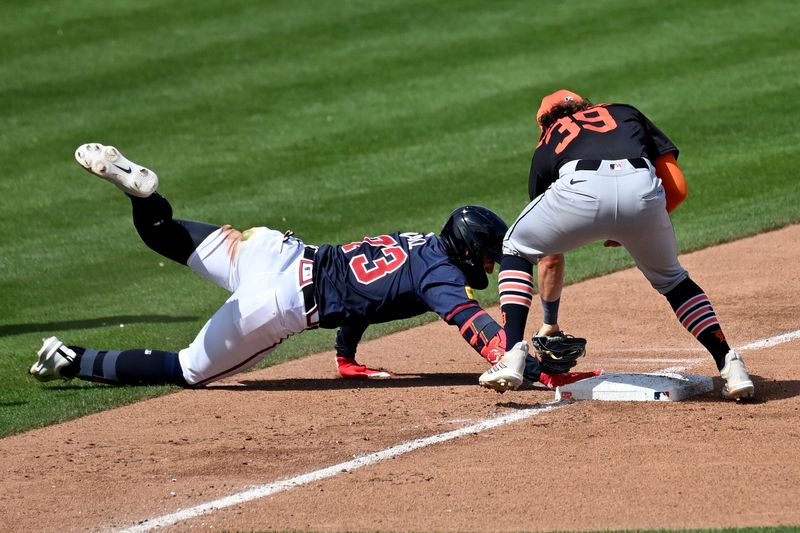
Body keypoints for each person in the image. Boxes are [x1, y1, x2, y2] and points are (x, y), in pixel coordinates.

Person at [29, 143, 574, 389]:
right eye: (484, 255)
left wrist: (346, 356)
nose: (485, 265)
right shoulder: (441, 277)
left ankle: (142, 195)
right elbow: (482, 334)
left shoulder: (415, 245)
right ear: (465, 251)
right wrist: (541, 366)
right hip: (281, 301)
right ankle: (72, 359)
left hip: (273, 249)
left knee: (165, 235)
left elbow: (372, 295)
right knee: (188, 371)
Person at [479, 90, 755, 400]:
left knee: (516, 247)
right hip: (642, 191)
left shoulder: (550, 138)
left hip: (579, 193)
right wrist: (629, 228)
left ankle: (512, 354)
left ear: (545, 122)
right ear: (588, 105)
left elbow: (549, 254)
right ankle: (730, 364)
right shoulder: (624, 112)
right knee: (674, 281)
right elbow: (676, 187)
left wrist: (550, 322)